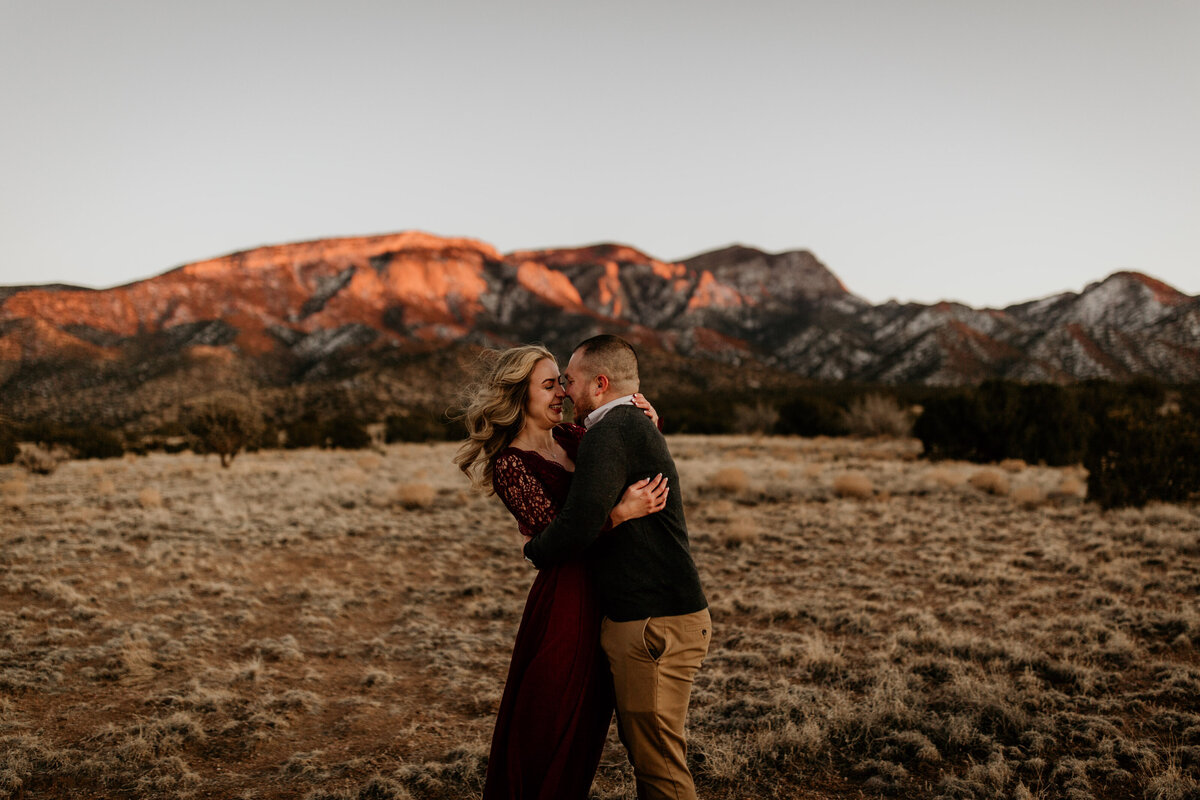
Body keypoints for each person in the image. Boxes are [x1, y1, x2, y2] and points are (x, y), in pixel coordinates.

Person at [454, 344, 669, 800]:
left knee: (587, 723)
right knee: (549, 719)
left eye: (562, 383)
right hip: (567, 604)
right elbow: (559, 541)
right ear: (520, 395)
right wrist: (620, 514)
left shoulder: (575, 436)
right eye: (549, 385)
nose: (562, 395)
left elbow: (621, 460)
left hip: (610, 594)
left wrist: (644, 424)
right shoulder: (512, 464)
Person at [522, 334, 710, 800]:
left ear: (600, 383)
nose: (564, 390)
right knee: (652, 755)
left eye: (569, 380)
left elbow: (578, 525)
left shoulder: (611, 432)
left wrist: (535, 551)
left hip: (653, 625)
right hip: (657, 620)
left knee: (659, 768)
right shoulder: (626, 425)